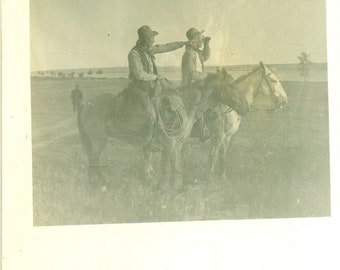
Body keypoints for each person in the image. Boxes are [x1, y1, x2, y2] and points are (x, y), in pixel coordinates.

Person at [127, 25, 187, 149]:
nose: (154, 40)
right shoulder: (134, 54)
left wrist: (184, 43)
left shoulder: (149, 49)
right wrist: (155, 77)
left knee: (169, 102)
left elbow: (165, 47)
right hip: (138, 88)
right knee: (150, 112)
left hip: (150, 87)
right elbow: (139, 74)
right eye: (152, 38)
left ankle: (165, 132)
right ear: (145, 39)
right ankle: (149, 141)